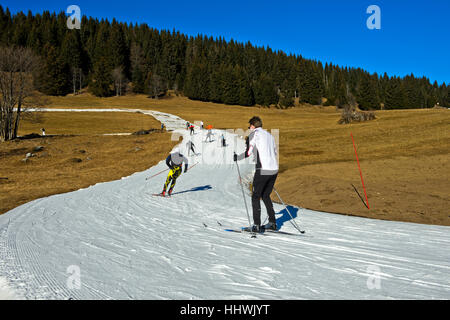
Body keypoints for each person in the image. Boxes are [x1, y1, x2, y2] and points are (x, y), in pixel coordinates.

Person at [234, 116, 278, 232]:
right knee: (265, 195)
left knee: (255, 196)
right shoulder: (270, 135)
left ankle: (256, 225)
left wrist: (237, 157)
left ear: (253, 126)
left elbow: (248, 152)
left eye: (249, 127)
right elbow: (274, 152)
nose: (249, 128)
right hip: (273, 169)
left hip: (263, 169)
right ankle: (272, 222)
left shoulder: (254, 134)